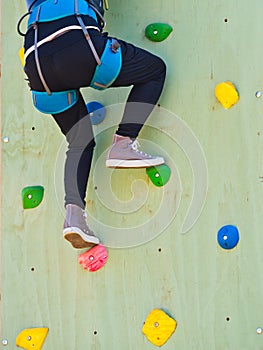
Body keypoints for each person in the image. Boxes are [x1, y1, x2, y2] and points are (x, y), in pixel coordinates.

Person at [19, 0, 166, 249]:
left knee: (79, 141)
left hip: (37, 65)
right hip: (78, 44)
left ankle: (74, 217)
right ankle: (123, 142)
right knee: (154, 70)